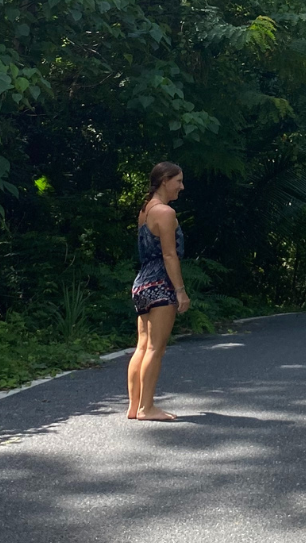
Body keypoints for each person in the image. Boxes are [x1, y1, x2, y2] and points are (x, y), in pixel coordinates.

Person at [128, 161, 189, 421]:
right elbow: (169, 254)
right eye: (178, 181)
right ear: (165, 180)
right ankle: (147, 408)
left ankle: (134, 406)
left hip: (142, 283)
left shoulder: (145, 210)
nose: (181, 187)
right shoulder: (165, 212)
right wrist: (180, 290)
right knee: (156, 348)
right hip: (160, 284)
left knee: (142, 346)